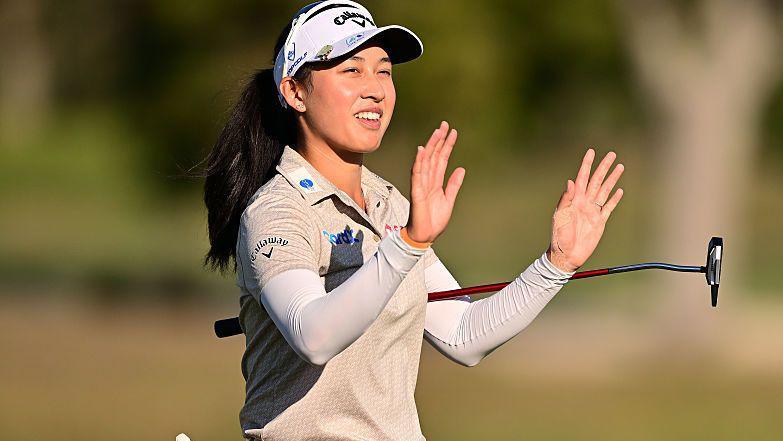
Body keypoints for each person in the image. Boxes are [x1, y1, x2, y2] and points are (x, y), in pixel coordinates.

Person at [202, 1, 625, 440]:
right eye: (351, 71)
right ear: (295, 92)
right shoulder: (277, 209)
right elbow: (313, 336)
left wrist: (556, 264)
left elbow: (464, 334)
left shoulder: (390, 205)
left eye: (383, 71)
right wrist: (408, 244)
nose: (375, 90)